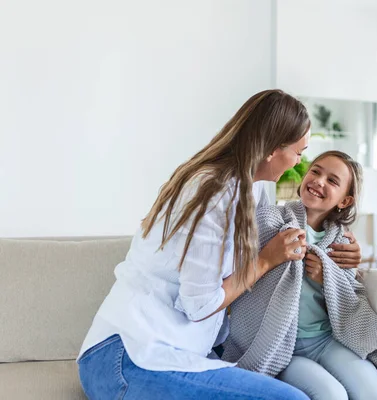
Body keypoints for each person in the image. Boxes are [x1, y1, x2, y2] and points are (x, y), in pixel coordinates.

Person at [77, 89, 361, 399]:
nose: (298, 162)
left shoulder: (248, 190)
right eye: (298, 152)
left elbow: (279, 226)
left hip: (174, 350)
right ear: (272, 150)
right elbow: (199, 304)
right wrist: (265, 261)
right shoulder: (214, 192)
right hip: (128, 354)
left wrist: (343, 252)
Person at [223, 151, 377, 400]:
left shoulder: (340, 240)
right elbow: (244, 262)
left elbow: (351, 292)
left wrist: (328, 278)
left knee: (376, 394)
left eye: (332, 181)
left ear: (344, 201)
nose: (319, 181)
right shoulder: (272, 220)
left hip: (325, 339)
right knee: (332, 395)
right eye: (315, 171)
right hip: (284, 346)